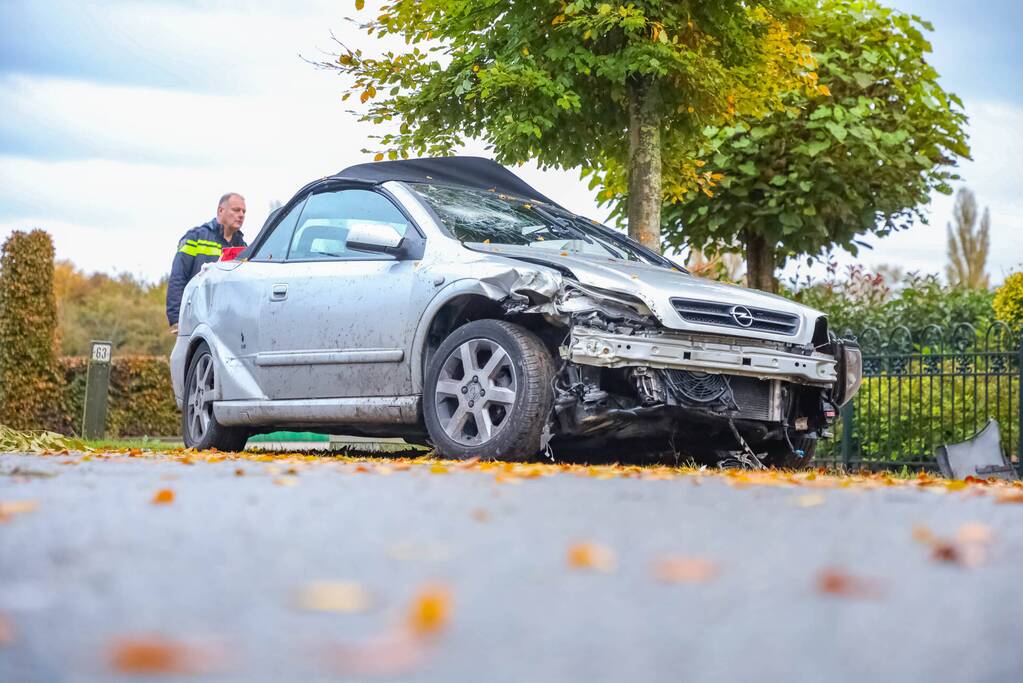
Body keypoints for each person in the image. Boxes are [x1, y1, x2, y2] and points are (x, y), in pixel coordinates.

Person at [166, 193, 247, 330]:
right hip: (195, 318)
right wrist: (176, 317)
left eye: (244, 211)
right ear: (220, 211)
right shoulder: (195, 238)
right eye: (236, 210)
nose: (241, 215)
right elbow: (178, 277)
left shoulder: (243, 247)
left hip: (226, 322)